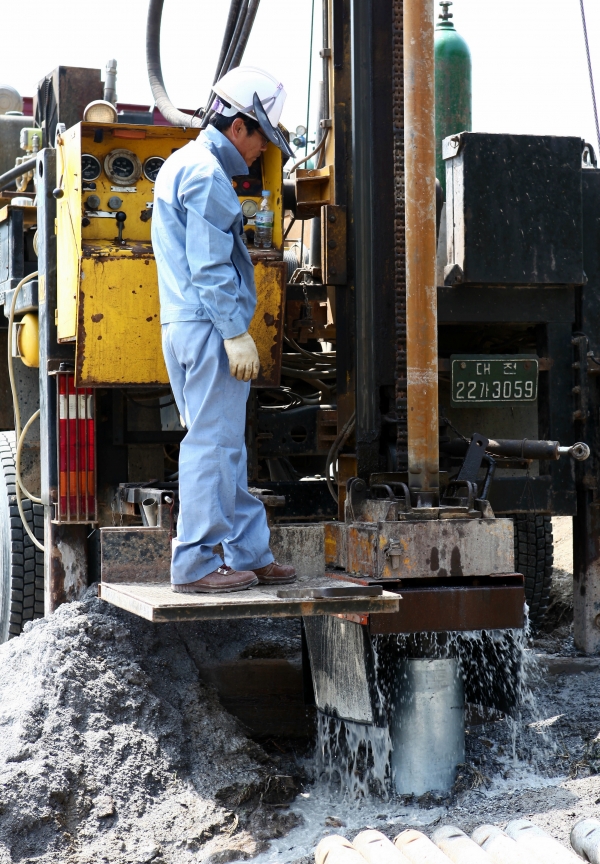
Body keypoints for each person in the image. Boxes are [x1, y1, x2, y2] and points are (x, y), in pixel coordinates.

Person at [152, 67, 297, 594]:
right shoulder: (207, 175)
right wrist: (235, 332)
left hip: (189, 324)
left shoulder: (182, 164)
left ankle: (248, 553)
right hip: (210, 326)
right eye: (262, 137)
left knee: (224, 445)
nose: (263, 150)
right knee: (212, 445)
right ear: (238, 127)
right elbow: (210, 266)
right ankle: (194, 564)